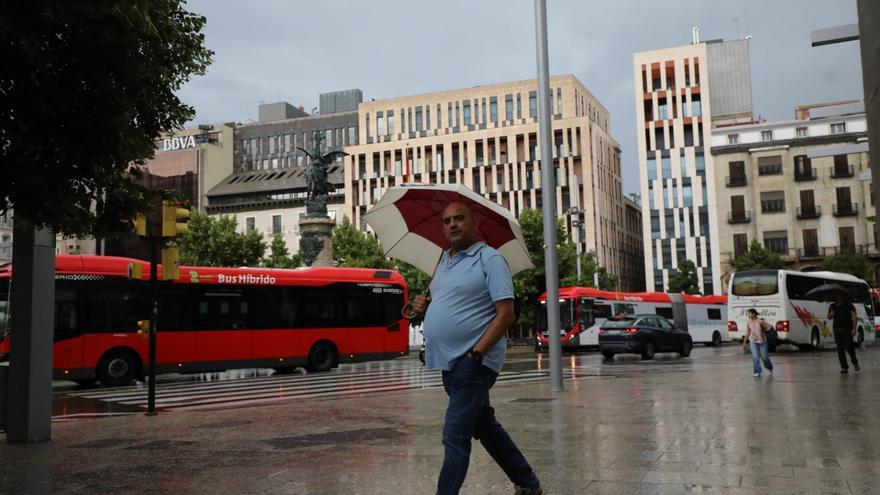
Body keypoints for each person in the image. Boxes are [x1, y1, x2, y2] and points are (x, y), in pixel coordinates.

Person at [411, 202, 542, 495]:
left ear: (474, 223)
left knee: (455, 434)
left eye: (459, 219)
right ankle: (528, 482)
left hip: (473, 362)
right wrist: (425, 307)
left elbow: (506, 313)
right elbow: (452, 304)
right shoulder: (442, 262)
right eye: (447, 221)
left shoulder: (490, 259)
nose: (452, 225)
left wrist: (477, 353)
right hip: (448, 362)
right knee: (485, 427)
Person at [828, 293, 860, 374]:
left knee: (849, 346)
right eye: (836, 296)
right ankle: (844, 367)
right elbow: (829, 317)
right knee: (840, 350)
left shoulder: (849, 305)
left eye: (838, 296)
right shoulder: (832, 306)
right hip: (837, 330)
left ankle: (854, 362)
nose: (837, 297)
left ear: (842, 296)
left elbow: (854, 316)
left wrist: (854, 328)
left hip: (847, 329)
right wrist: (831, 314)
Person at [742, 308, 774, 377]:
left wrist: (764, 325)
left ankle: (769, 367)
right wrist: (744, 343)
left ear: (753, 314)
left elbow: (770, 327)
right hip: (753, 341)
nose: (748, 315)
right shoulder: (749, 322)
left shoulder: (760, 320)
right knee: (755, 357)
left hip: (762, 341)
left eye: (749, 313)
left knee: (764, 357)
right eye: (748, 314)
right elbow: (747, 333)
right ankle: (757, 372)